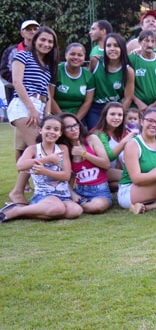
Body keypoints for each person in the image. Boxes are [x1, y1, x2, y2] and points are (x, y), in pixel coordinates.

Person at [7, 26, 59, 204]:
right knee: (39, 148)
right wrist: (31, 108)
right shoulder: (22, 55)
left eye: (50, 41)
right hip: (23, 105)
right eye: (43, 40)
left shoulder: (47, 65)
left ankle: (18, 192)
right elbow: (16, 82)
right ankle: (20, 191)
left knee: (30, 151)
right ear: (35, 40)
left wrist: (47, 114)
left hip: (39, 105)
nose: (46, 44)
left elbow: (47, 92)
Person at [0, 115, 83, 222]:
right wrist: (48, 159)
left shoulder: (62, 148)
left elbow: (66, 176)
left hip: (63, 195)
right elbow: (20, 165)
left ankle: (22, 210)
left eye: (56, 129)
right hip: (44, 195)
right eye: (48, 128)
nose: (52, 132)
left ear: (60, 133)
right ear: (40, 130)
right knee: (58, 209)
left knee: (76, 211)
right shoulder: (33, 149)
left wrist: (45, 171)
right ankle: (14, 212)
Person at [59, 112, 112, 214]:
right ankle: (76, 204)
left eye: (75, 125)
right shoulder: (64, 148)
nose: (73, 129)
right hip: (79, 190)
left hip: (100, 190)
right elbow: (65, 176)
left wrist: (84, 154)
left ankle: (80, 205)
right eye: (68, 127)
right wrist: (72, 193)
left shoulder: (92, 139)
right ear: (62, 131)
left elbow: (106, 164)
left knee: (96, 207)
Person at [92, 101, 137, 189]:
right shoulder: (99, 133)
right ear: (105, 116)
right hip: (101, 170)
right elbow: (108, 157)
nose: (116, 117)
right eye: (112, 114)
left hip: (118, 169)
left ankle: (107, 186)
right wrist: (124, 141)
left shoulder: (123, 132)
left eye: (120, 115)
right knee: (133, 177)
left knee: (132, 179)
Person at [51, 42, 95, 125]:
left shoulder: (88, 75)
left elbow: (88, 101)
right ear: (66, 55)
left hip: (79, 117)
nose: (76, 57)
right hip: (56, 115)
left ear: (84, 57)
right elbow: (50, 97)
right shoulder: (56, 71)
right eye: (72, 54)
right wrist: (62, 118)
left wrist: (75, 121)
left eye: (80, 55)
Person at [130, 29, 156, 111]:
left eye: (153, 41)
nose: (150, 44)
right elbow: (126, 86)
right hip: (137, 107)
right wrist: (138, 103)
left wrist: (155, 104)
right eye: (146, 41)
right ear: (139, 42)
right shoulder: (132, 59)